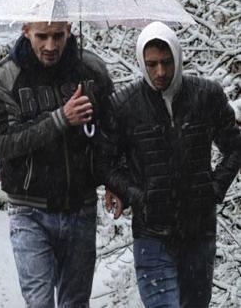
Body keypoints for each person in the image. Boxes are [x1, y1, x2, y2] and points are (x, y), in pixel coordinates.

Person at [97, 21, 241, 308]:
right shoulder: (125, 105)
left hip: (199, 232)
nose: (160, 72)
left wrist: (214, 188)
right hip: (151, 233)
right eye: (151, 64)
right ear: (141, 62)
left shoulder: (206, 95)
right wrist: (136, 194)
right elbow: (105, 164)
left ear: (177, 57)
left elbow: (235, 147)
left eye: (166, 62)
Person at [0, 21, 113, 307]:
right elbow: (2, 143)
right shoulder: (6, 77)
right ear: (26, 31)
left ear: (69, 30)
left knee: (75, 302)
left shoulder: (91, 70)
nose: (51, 46)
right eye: (42, 36)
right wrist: (60, 119)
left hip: (80, 205)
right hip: (29, 209)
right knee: (40, 302)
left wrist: (115, 182)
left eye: (58, 36)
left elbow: (112, 133)